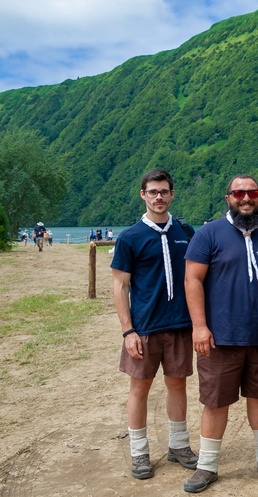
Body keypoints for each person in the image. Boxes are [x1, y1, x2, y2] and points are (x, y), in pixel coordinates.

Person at [183, 174, 258, 493]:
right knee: (215, 401)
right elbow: (193, 280)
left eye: (252, 192)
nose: (246, 197)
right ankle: (206, 465)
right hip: (220, 336)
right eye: (239, 193)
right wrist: (200, 326)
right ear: (228, 197)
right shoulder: (209, 234)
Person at [110, 168, 198, 480]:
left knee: (177, 384)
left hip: (179, 325)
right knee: (140, 389)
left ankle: (178, 445)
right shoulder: (130, 237)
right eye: (153, 192)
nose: (158, 197)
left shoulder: (185, 232)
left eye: (164, 191)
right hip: (144, 328)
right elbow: (120, 286)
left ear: (172, 194)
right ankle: (139, 452)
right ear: (143, 195)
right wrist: (127, 330)